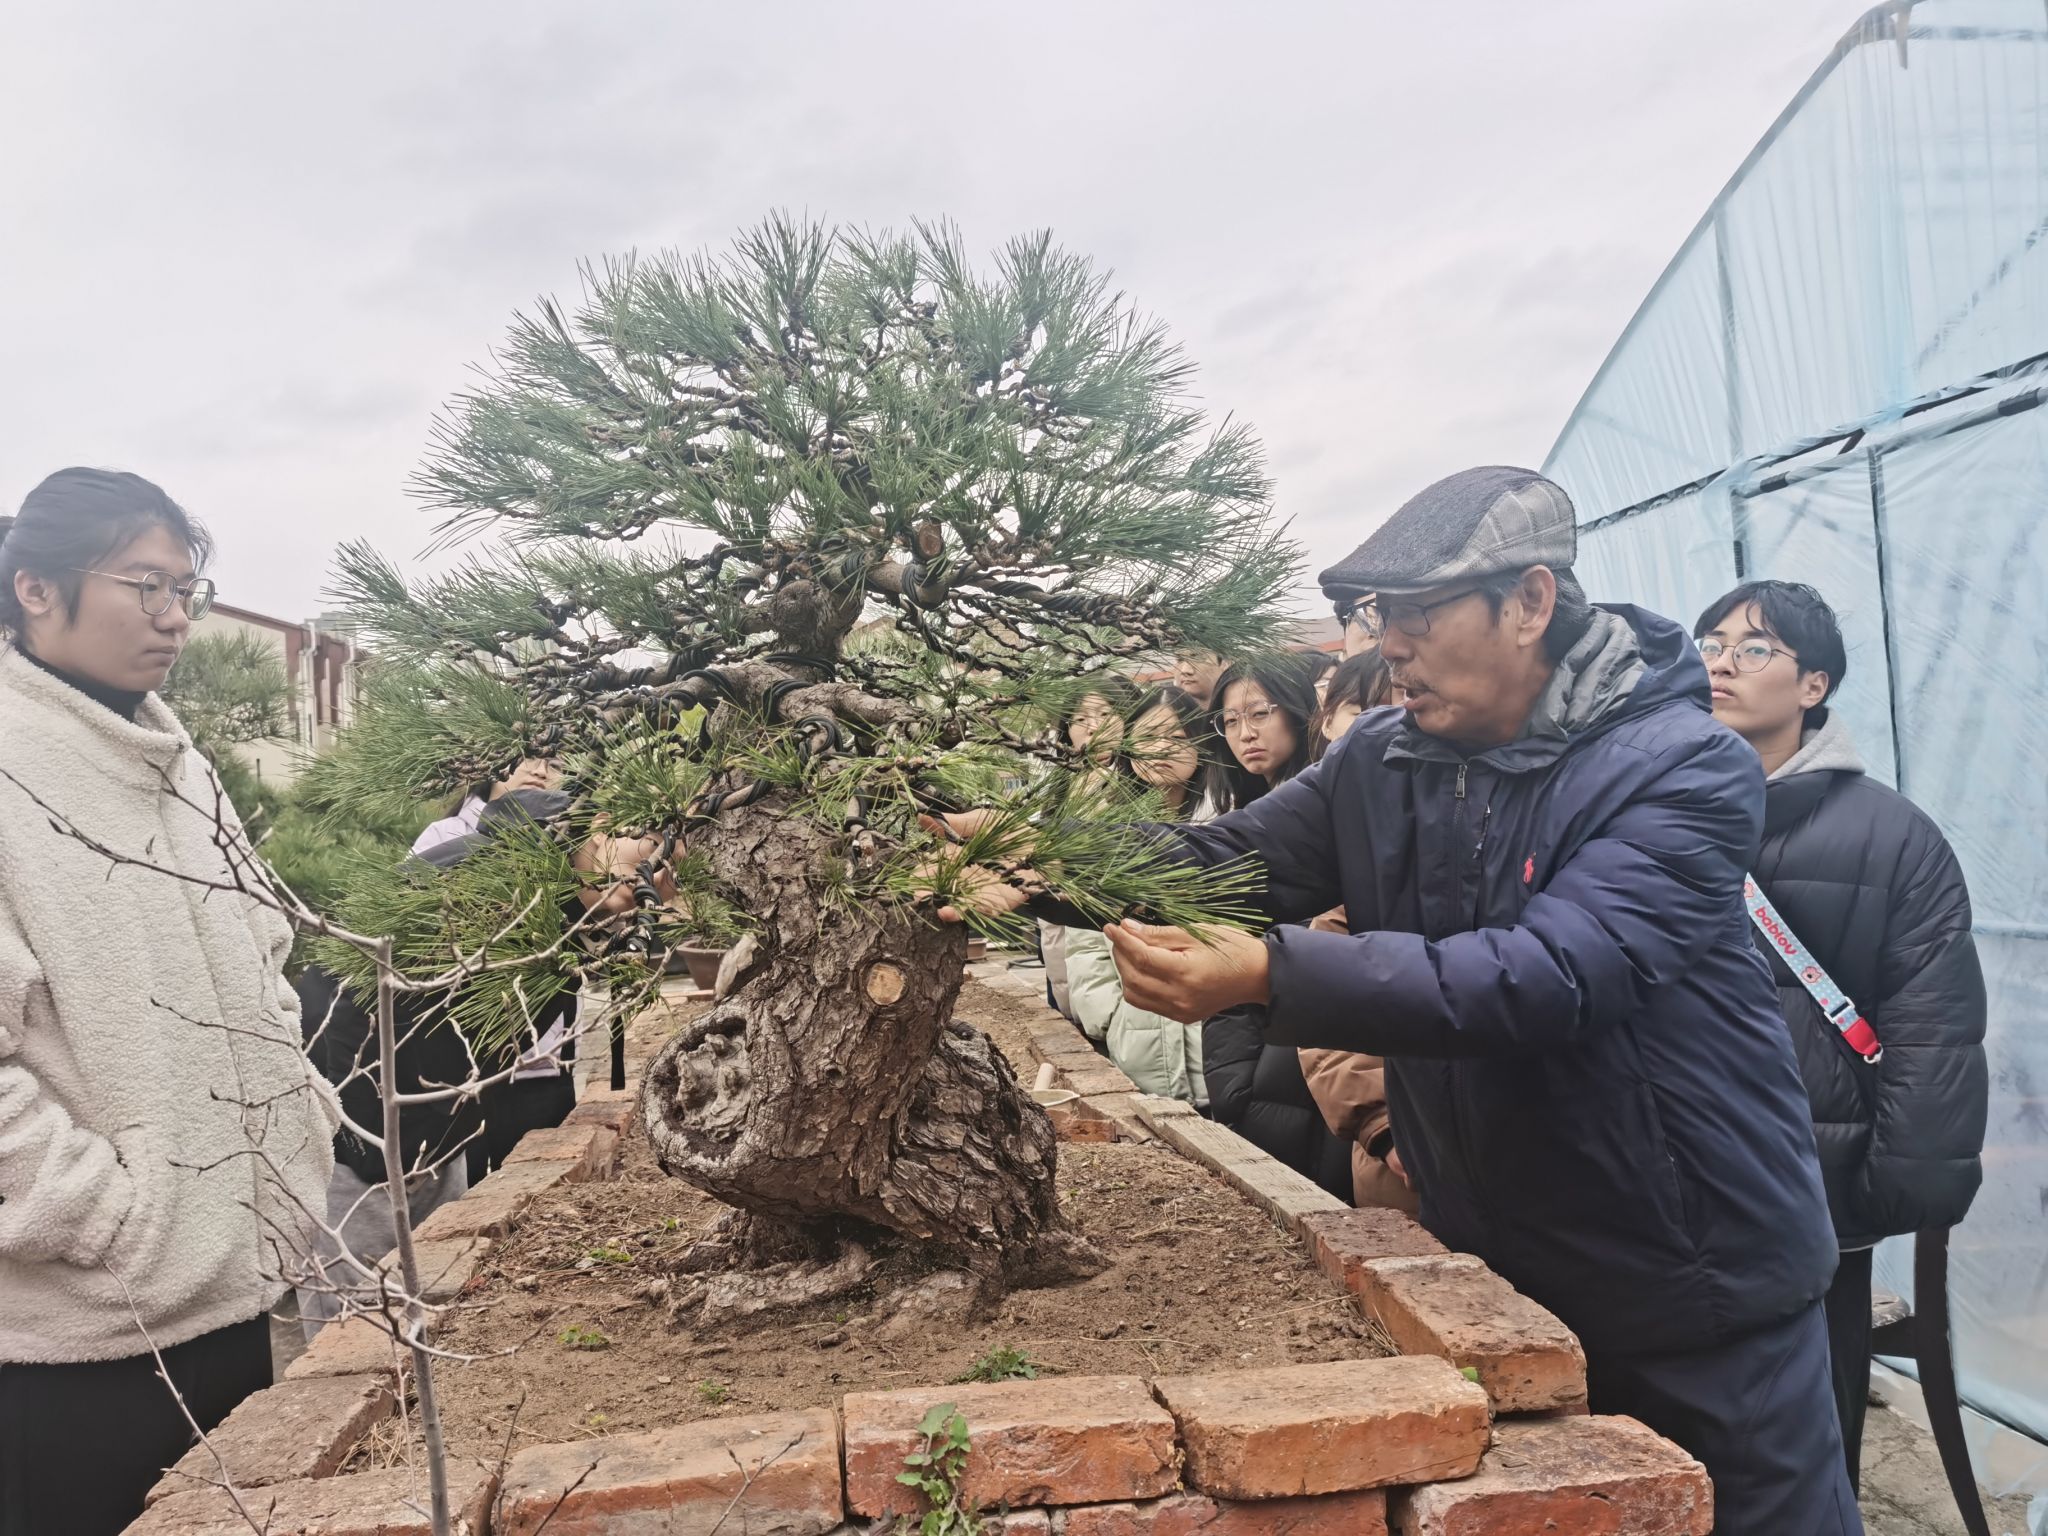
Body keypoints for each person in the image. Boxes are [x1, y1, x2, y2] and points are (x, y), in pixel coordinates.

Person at [943, 466, 1859, 1533]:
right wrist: (1040, 855)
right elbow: (1227, 863)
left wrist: (1269, 974)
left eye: (1418, 614)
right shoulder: (1384, 758)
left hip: (1689, 1273)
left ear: (1528, 603)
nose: (1391, 645)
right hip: (1491, 1254)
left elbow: (1550, 976)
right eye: (1380, 617)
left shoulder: (1679, 766)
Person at [0, 469, 335, 1536]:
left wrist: (297, 1117)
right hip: (84, 1328)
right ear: (35, 589)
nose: (178, 616)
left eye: (187, 587)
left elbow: (264, 943)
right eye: (145, 586)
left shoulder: (178, 758)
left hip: (237, 1279)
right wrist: (93, 1213)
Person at [1695, 580, 1987, 1487]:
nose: (1720, 662)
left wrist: (1901, 1187)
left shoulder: (1891, 836)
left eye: (1753, 648)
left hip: (1812, 1190)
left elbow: (1933, 1022)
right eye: (1711, 641)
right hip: (1670, 1176)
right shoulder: (1656, 812)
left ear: (1812, 685)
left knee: (1808, 1437)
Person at [1195, 655, 1352, 1198]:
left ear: (1302, 711)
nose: (1245, 734)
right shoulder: (1241, 815)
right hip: (1250, 1057)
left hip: (1312, 1061)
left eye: (1259, 713)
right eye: (1230, 721)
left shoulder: (1325, 816)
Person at [412, 761, 580, 1183]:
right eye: (526, 755)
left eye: (555, 761)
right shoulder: (444, 837)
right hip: (459, 1062)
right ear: (487, 764)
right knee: (458, 1195)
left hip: (538, 1061)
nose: (540, 769)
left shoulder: (568, 844)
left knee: (539, 1197)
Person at [1298, 646, 1417, 1213]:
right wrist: (1384, 1121)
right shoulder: (1343, 842)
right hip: (1398, 1160)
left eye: (1395, 707)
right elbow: (1325, 1013)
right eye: (1360, 710)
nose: (1381, 726)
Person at [1064, 686, 1212, 1103]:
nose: (1161, 749)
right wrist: (1108, 1018)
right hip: (1137, 1044)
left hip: (1220, 1050)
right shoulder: (1103, 830)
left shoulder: (1229, 823)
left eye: (1179, 737)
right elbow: (1085, 938)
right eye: (1147, 737)